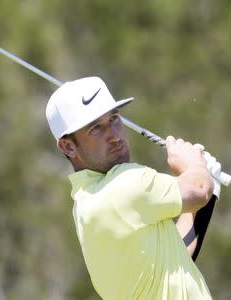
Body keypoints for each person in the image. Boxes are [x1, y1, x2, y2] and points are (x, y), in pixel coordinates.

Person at [45, 76, 221, 300]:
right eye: (96, 128)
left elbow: (177, 253)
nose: (114, 135)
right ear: (67, 146)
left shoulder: (86, 204)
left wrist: (208, 186)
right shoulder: (123, 183)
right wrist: (195, 166)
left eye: (114, 119)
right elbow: (198, 191)